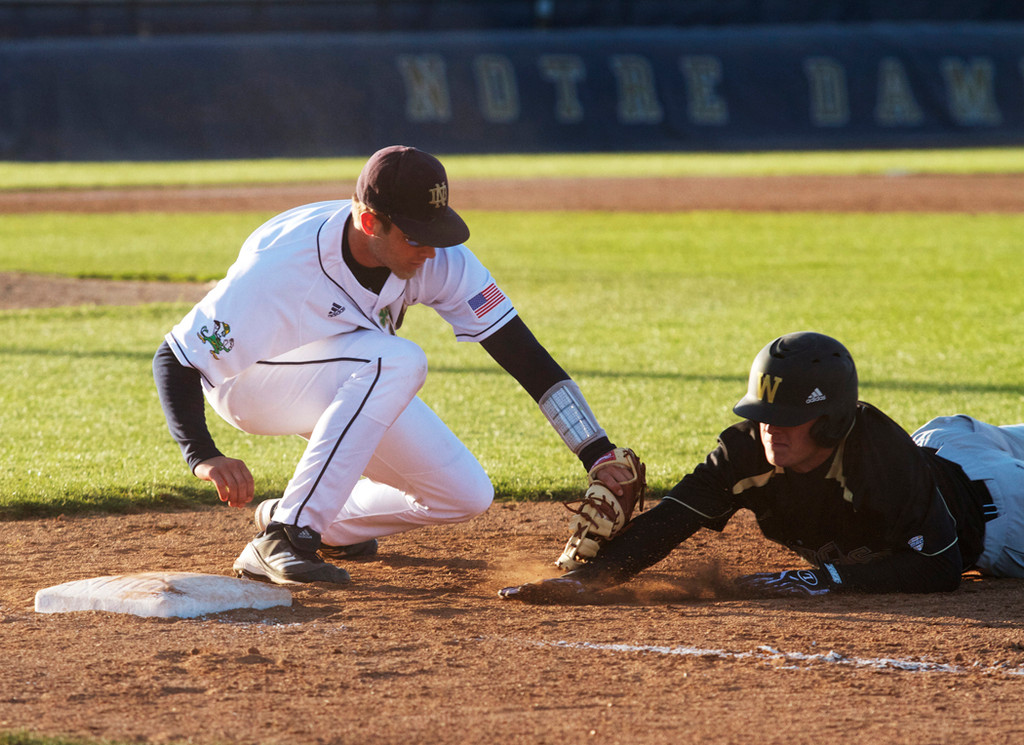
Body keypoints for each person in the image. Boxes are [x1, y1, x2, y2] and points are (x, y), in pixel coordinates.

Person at [153, 145, 636, 586]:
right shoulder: (281, 265)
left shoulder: (437, 257)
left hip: (356, 371)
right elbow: (175, 357)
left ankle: (320, 522)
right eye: (415, 236)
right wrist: (203, 455)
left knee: (463, 494)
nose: (430, 250)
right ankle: (285, 536)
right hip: (248, 382)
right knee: (399, 359)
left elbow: (520, 350)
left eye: (436, 230)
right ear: (370, 222)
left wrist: (596, 451)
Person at [500, 331, 1024, 602]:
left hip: (1003, 515)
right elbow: (674, 518)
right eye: (764, 414)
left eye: (788, 418)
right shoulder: (748, 451)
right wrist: (589, 580)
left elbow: (940, 568)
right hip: (944, 441)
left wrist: (819, 579)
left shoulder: (878, 460)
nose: (770, 429)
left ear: (831, 422)